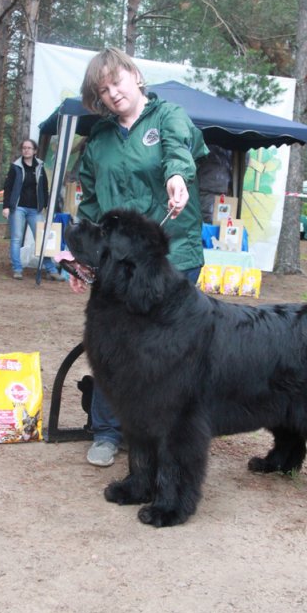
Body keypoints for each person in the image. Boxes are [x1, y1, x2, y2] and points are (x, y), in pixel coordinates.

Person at [70, 47, 209, 467]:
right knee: (115, 346)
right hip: (117, 269)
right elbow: (91, 207)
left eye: (117, 81)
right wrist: (79, 257)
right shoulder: (99, 140)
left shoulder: (169, 116)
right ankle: (110, 431)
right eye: (103, 90)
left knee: (170, 351)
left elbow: (178, 152)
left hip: (173, 254)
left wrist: (175, 178)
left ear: (134, 74)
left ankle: (168, 433)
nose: (113, 93)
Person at [2, 138, 65, 281]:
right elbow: (8, 187)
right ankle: (17, 269)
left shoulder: (40, 167)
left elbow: (44, 188)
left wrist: (48, 206)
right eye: (24, 148)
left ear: (35, 151)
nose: (26, 150)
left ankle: (51, 269)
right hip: (18, 208)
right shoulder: (15, 167)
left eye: (29, 148)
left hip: (35, 209)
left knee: (43, 239)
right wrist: (6, 206)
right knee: (16, 238)